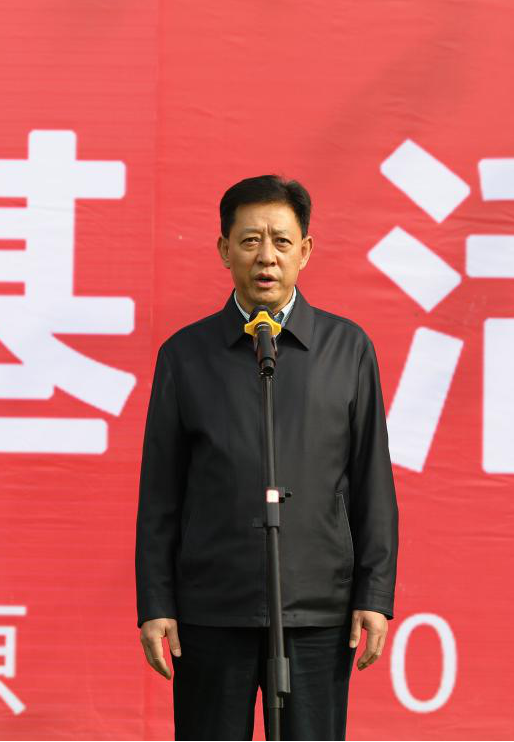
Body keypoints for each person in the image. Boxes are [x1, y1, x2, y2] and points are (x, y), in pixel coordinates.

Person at [135, 175, 398, 740]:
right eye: (250, 240)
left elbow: (372, 481)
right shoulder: (185, 354)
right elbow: (161, 494)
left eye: (281, 241)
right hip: (211, 609)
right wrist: (156, 602)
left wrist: (374, 595)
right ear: (224, 248)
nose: (266, 257)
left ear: (305, 251)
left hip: (317, 610)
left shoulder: (347, 348)